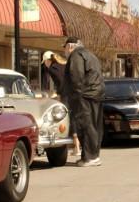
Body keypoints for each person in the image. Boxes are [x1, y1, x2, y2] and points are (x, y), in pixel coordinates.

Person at [63, 37, 105, 167]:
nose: (64, 50)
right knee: (95, 125)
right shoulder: (91, 55)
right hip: (96, 94)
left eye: (64, 47)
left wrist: (74, 96)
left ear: (70, 46)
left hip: (84, 95)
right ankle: (94, 155)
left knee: (85, 125)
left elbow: (76, 77)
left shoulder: (76, 55)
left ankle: (89, 157)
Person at [43, 50, 82, 157]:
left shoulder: (52, 69)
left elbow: (60, 82)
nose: (45, 65)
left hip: (66, 95)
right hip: (74, 93)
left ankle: (76, 147)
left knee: (66, 118)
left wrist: (58, 94)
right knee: (74, 117)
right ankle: (77, 146)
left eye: (44, 62)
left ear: (47, 60)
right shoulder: (63, 64)